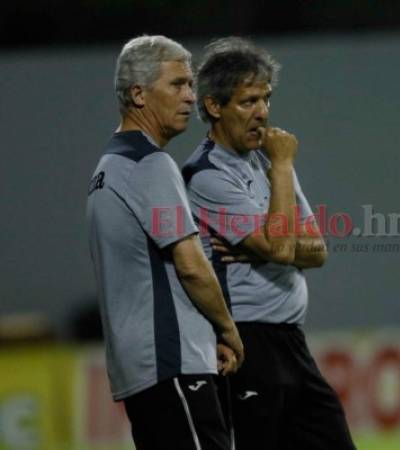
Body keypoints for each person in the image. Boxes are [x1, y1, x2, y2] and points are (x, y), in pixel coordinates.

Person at [182, 37, 356, 450]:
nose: (261, 113)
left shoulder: (267, 161)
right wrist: (282, 165)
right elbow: (282, 249)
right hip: (247, 345)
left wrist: (255, 247)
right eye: (247, 101)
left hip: (292, 342)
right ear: (213, 107)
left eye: (266, 99)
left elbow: (318, 251)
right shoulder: (207, 175)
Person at [86, 35, 244, 450]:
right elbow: (190, 263)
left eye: (190, 84)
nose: (191, 97)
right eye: (177, 84)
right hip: (171, 363)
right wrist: (226, 330)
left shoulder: (109, 166)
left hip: (142, 370)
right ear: (138, 94)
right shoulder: (149, 165)